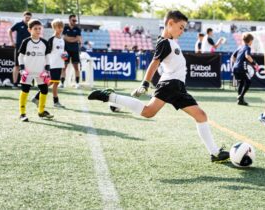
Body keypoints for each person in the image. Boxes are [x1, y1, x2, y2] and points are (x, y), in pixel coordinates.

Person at [87, 10, 229, 163]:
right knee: (149, 112)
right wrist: (145, 83)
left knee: (200, 116)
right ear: (170, 24)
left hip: (178, 87)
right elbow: (154, 64)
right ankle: (110, 96)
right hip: (170, 84)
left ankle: (214, 153)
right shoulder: (164, 42)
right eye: (181, 27)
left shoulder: (171, 42)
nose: (182, 31)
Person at [17, 19, 54, 122]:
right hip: (27, 72)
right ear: (29, 30)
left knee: (44, 90)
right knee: (25, 90)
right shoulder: (26, 42)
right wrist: (22, 69)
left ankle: (41, 112)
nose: (38, 30)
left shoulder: (45, 42)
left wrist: (47, 70)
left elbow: (47, 57)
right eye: (35, 29)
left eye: (39, 28)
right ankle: (22, 113)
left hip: (40, 71)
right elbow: (20, 57)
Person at [32, 19, 66, 108]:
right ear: (54, 28)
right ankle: (55, 102)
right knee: (52, 83)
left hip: (59, 64)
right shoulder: (51, 39)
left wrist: (65, 55)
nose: (60, 29)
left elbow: (62, 52)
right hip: (53, 64)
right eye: (58, 27)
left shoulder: (62, 40)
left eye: (61, 27)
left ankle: (36, 98)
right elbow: (46, 52)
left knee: (54, 83)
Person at [231, 33, 259, 106]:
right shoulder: (247, 47)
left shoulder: (240, 47)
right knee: (248, 81)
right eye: (252, 41)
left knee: (241, 83)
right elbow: (247, 56)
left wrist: (235, 64)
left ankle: (240, 100)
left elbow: (232, 57)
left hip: (235, 68)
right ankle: (241, 96)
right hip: (241, 68)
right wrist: (254, 63)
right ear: (250, 41)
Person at [8, 11, 32, 87]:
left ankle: (25, 83)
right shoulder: (18, 24)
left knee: (28, 66)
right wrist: (12, 41)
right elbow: (10, 30)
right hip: (19, 47)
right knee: (17, 65)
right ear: (23, 17)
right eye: (26, 17)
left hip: (29, 48)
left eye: (29, 17)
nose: (27, 19)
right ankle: (15, 83)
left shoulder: (31, 26)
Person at [60, 15, 82, 89]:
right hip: (65, 50)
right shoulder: (65, 28)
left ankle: (77, 83)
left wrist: (69, 38)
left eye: (75, 20)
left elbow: (78, 39)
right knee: (64, 67)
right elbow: (63, 37)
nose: (75, 22)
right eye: (73, 20)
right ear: (69, 20)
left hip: (75, 50)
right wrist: (73, 38)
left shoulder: (77, 29)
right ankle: (62, 83)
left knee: (76, 68)